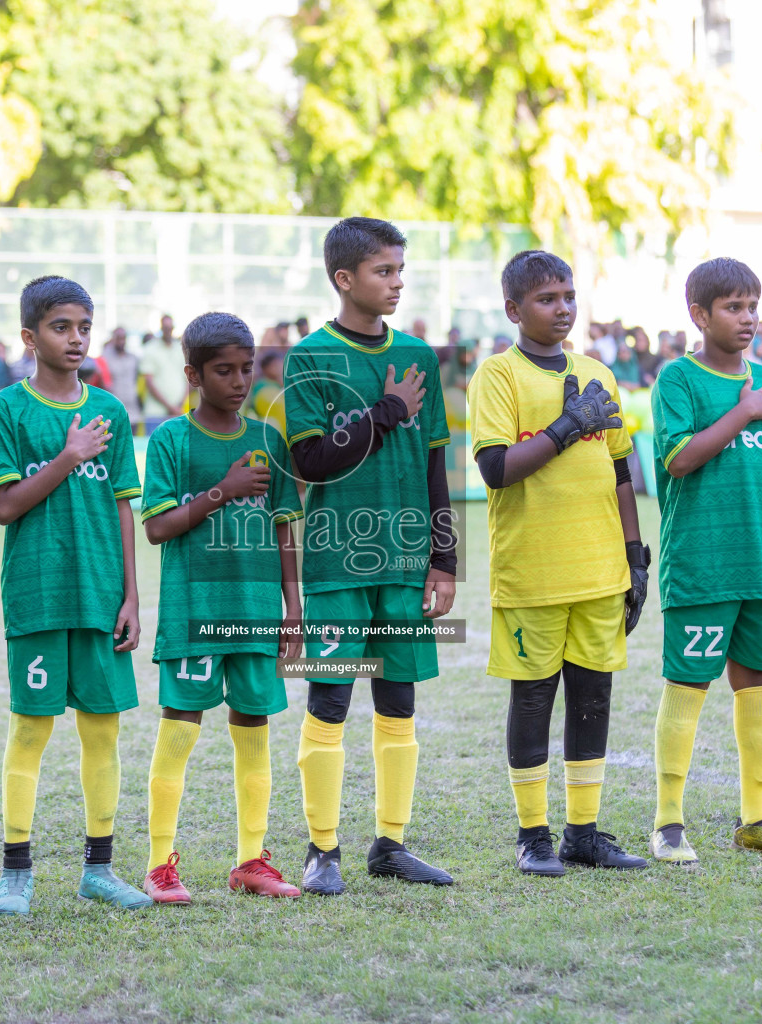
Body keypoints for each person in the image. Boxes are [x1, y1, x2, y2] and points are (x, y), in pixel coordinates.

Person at [284, 217, 457, 893]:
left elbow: (436, 463)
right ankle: (321, 849)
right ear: (344, 279)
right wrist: (384, 411)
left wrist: (443, 560)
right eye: (383, 271)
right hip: (335, 562)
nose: (396, 282)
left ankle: (390, 845)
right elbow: (311, 459)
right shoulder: (310, 358)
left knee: (399, 700)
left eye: (399, 270)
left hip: (408, 561)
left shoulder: (418, 354)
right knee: (330, 698)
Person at [468, 250, 648, 875]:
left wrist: (634, 554)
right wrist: (568, 425)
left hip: (599, 569)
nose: (563, 308)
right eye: (547, 299)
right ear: (515, 310)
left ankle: (583, 832)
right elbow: (495, 469)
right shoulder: (499, 375)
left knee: (594, 697)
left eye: (569, 296)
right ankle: (533, 834)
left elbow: (622, 469)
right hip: (533, 573)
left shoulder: (597, 369)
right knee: (534, 700)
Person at [0, 276, 151, 913]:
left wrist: (131, 596)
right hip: (39, 594)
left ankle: (99, 870)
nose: (75, 337)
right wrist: (67, 455)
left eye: (83, 325)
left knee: (102, 733)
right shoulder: (7, 410)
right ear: (30, 337)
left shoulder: (108, 410)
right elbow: (3, 507)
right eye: (60, 326)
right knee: (30, 730)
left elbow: (121, 509)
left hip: (102, 597)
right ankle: (16, 872)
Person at [649, 258, 762, 865]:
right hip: (702, 564)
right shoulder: (679, 380)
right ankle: (668, 823)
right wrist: (741, 412)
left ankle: (757, 819)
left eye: (753, 307)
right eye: (733, 308)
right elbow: (679, 460)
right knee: (688, 685)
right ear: (700, 314)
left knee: (759, 685)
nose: (748, 319)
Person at [138, 312, 305, 904]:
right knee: (180, 730)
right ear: (193, 374)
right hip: (194, 609)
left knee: (253, 729)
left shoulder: (268, 439)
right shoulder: (171, 440)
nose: (239, 381)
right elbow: (157, 527)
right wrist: (221, 492)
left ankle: (251, 860)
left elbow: (286, 526)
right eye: (223, 371)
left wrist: (293, 606)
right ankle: (160, 864)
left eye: (247, 369)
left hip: (257, 608)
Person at [140, 314, 189, 430]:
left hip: (178, 412)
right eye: (165, 328)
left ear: (173, 328)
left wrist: (178, 406)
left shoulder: (181, 348)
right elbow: (149, 382)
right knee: (153, 447)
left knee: (177, 447)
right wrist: (171, 407)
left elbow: (188, 379)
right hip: (155, 413)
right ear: (161, 328)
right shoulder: (150, 348)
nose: (168, 330)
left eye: (170, 327)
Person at [101, 327, 141, 422]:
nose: (121, 341)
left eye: (123, 338)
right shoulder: (105, 359)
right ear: (113, 339)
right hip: (113, 408)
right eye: (118, 338)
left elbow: (136, 379)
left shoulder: (133, 358)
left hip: (132, 409)